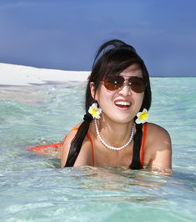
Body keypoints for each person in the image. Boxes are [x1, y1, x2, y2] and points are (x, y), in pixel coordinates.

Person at [59, 39, 171, 170]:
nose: (125, 91)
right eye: (113, 82)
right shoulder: (80, 143)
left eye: (136, 84)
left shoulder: (157, 140)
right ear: (94, 91)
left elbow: (162, 187)